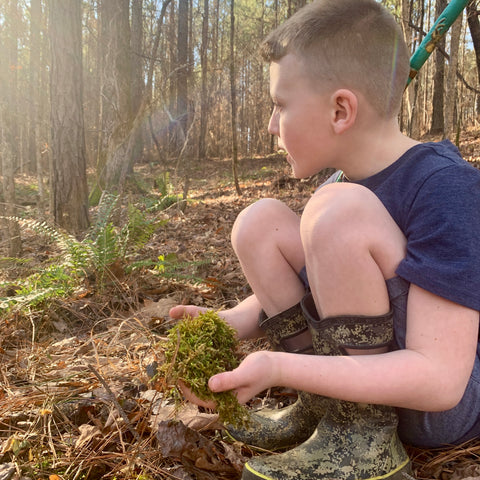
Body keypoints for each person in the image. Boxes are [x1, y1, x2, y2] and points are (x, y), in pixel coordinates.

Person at [170, 0, 480, 479]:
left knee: (334, 211)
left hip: (436, 411)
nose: (271, 126)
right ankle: (327, 412)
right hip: (369, 377)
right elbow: (319, 280)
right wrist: (228, 323)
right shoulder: (337, 190)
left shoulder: (444, 186)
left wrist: (281, 368)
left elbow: (441, 381)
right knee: (261, 223)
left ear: (340, 110)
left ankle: (362, 438)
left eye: (280, 105)